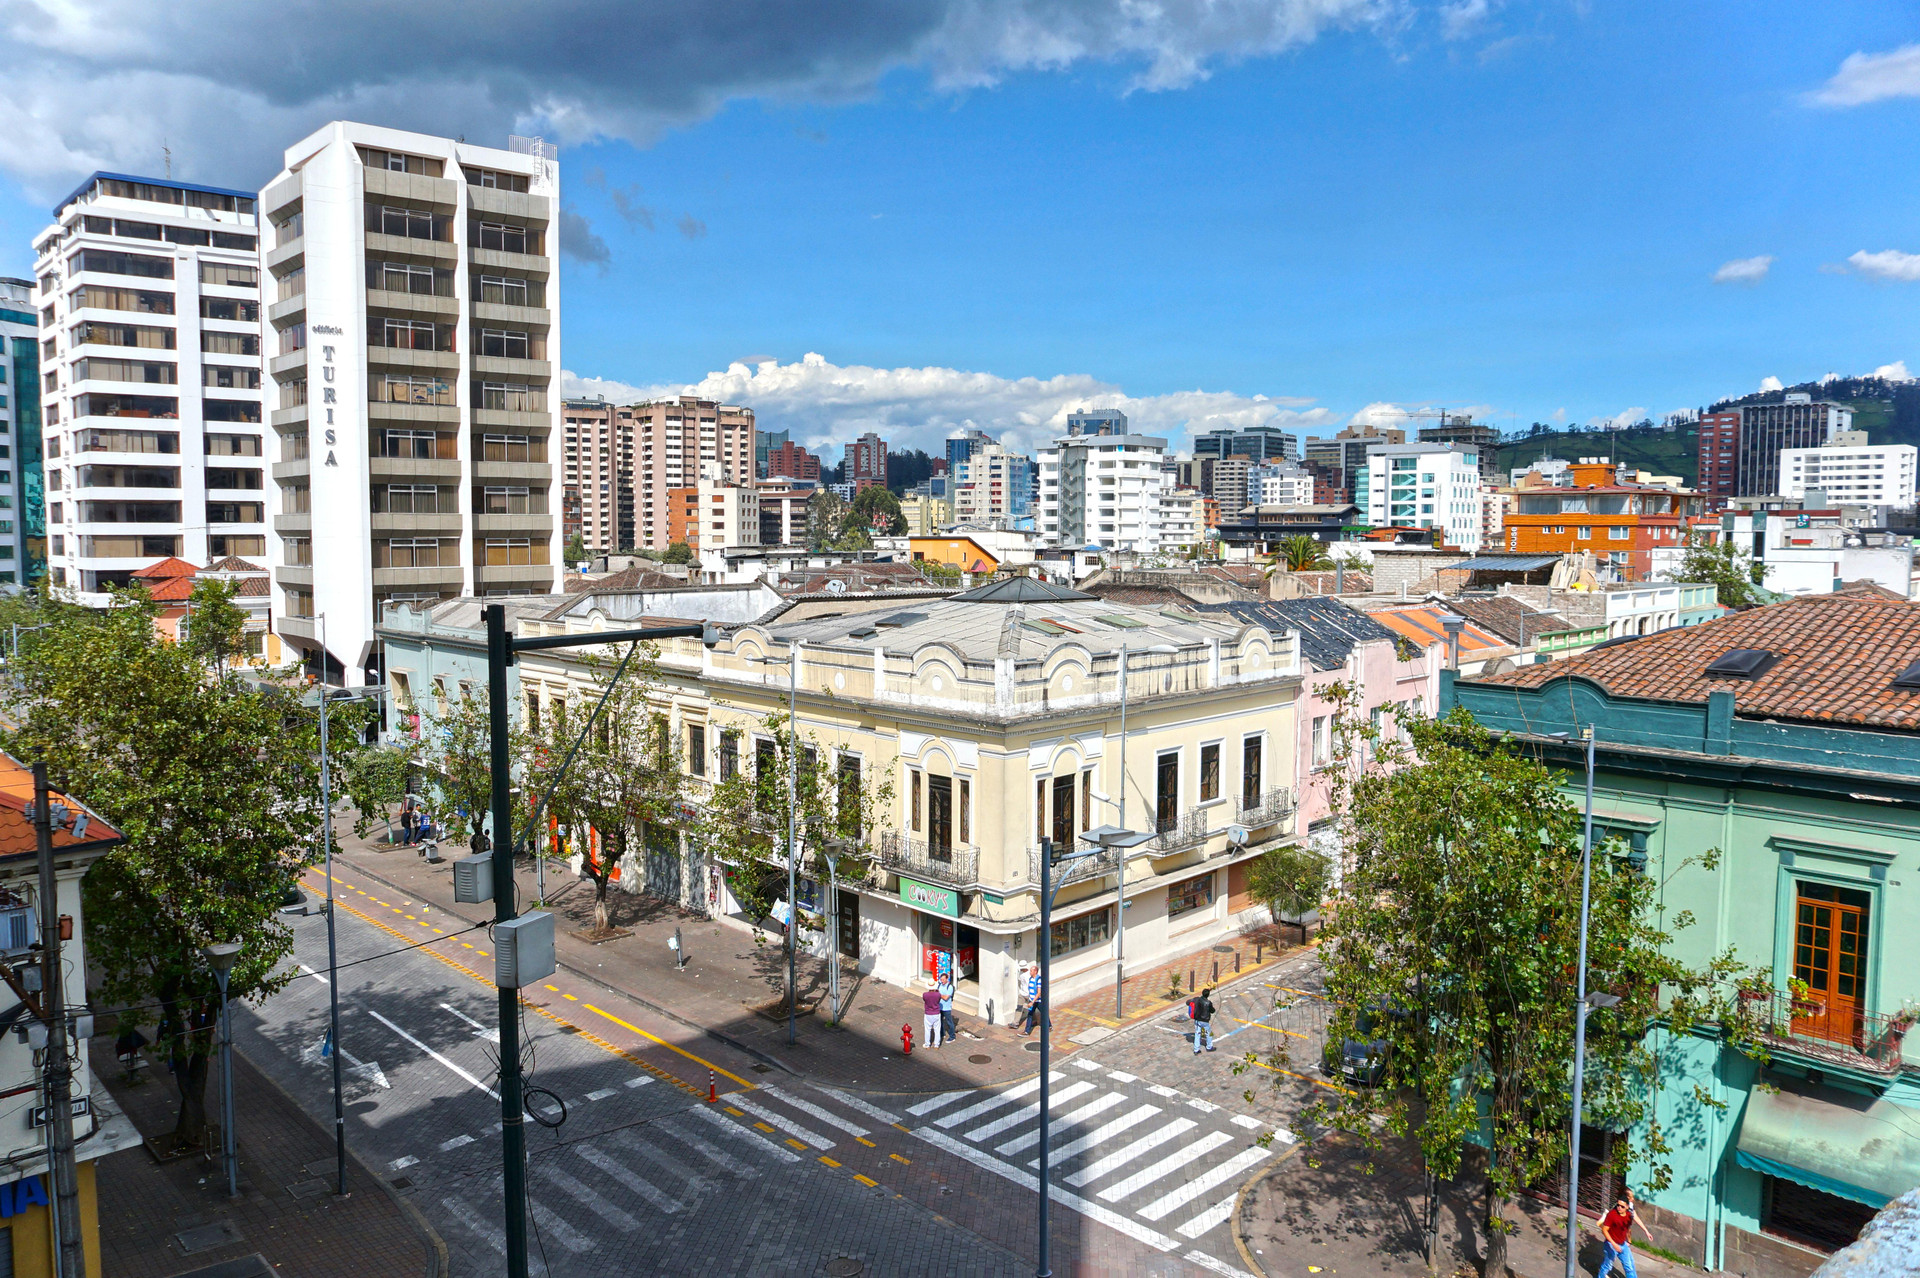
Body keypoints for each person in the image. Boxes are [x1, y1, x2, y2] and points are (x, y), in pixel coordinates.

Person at [1595, 1190, 1653, 1278]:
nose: (1619, 1208)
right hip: (1611, 1244)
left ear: (1627, 1207)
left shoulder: (1629, 1214)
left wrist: (1645, 1232)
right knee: (1608, 1265)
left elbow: (1628, 1228)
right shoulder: (1612, 1215)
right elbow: (1604, 1230)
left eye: (1622, 1206)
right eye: (1618, 1205)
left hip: (1622, 1244)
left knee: (1629, 1266)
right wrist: (1614, 1244)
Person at [1191, 987, 1217, 1054]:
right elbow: (1212, 1010)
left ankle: (1196, 1049)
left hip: (1197, 1019)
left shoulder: (1198, 1000)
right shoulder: (1208, 1003)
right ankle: (1209, 1047)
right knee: (1209, 1034)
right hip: (1204, 1021)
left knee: (1197, 1034)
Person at [1020, 968, 1044, 1036]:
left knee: (1043, 1013)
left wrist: (1032, 1002)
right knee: (1030, 1014)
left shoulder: (1039, 980)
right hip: (1032, 1000)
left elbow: (1039, 992)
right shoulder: (1030, 979)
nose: (1030, 972)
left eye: (1031, 970)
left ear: (1035, 971)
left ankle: (1049, 1026)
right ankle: (1027, 1031)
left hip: (1037, 1001)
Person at [922, 985, 944, 1050]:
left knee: (927, 1029)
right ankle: (936, 1045)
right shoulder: (938, 994)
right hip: (936, 1013)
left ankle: (927, 1045)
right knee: (937, 1030)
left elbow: (925, 1000)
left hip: (928, 1013)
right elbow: (939, 998)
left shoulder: (925, 994)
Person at [937, 974, 957, 1043]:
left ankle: (952, 1036)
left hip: (947, 1008)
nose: (941, 981)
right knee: (940, 1021)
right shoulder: (939, 985)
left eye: (943, 979)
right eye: (941, 979)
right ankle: (942, 1033)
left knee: (949, 1022)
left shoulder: (950, 987)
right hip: (940, 1007)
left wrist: (939, 994)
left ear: (947, 979)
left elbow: (946, 998)